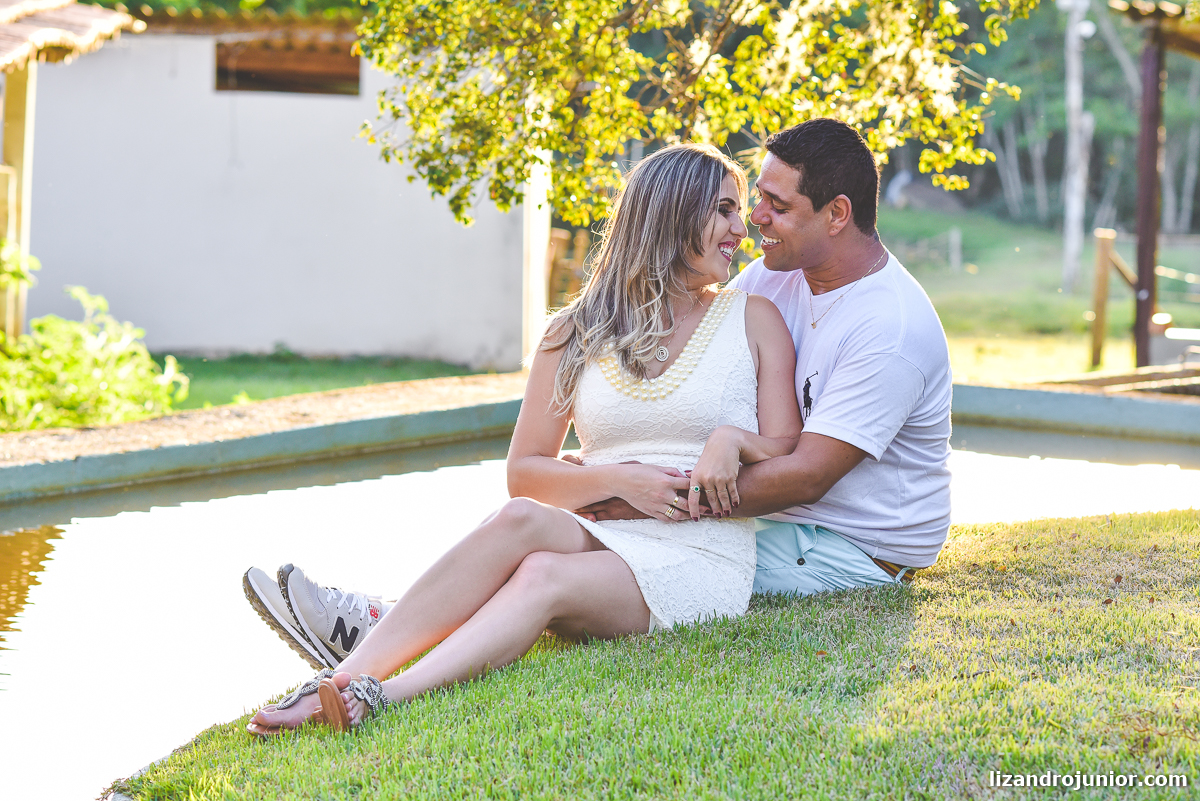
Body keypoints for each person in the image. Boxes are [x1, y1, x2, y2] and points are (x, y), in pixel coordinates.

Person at [244, 142, 803, 733]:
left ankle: (385, 696)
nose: (740, 229)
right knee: (518, 518)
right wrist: (619, 482)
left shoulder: (753, 318)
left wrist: (731, 440)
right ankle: (340, 679)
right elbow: (527, 472)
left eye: (739, 212)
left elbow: (788, 449)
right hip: (601, 524)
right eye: (723, 210)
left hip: (698, 552)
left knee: (541, 574)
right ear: (670, 212)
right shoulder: (575, 331)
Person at [581, 118, 953, 593]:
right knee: (574, 531)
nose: (754, 217)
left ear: (837, 214)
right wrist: (612, 467)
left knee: (620, 549)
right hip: (772, 521)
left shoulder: (891, 328)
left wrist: (639, 501)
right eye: (759, 197)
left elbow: (806, 477)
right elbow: (701, 367)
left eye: (777, 206)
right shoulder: (772, 276)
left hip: (848, 546)